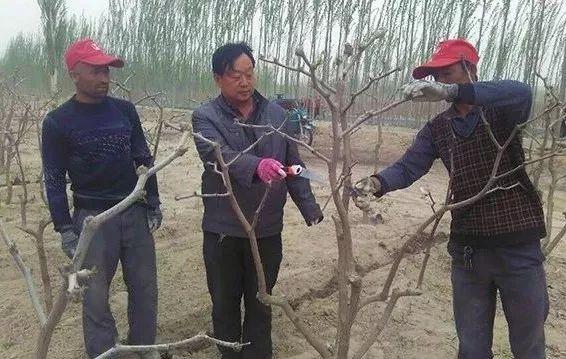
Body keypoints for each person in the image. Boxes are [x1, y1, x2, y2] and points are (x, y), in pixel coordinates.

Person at [354, 39, 548, 359]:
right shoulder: (437, 128)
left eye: (447, 71)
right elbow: (409, 166)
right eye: (437, 75)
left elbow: (523, 91)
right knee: (471, 348)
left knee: (528, 345)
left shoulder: (502, 111)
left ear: (470, 68)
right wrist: (376, 182)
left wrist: (453, 93)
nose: (441, 79)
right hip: (469, 252)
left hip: (518, 247)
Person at [191, 42, 323, 358]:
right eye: (235, 75)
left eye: (249, 74)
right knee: (224, 304)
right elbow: (217, 155)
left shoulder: (279, 116)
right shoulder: (205, 117)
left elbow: (294, 164)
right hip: (225, 230)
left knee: (261, 303)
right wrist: (256, 166)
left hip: (266, 230)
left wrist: (309, 206)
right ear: (217, 78)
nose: (245, 82)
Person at [41, 38, 162, 358]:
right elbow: (53, 179)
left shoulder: (125, 111)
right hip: (92, 220)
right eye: (95, 70)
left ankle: (144, 349)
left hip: (133, 211)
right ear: (74, 73)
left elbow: (143, 157)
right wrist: (64, 227)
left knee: (145, 290)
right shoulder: (57, 122)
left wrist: (153, 200)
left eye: (106, 70)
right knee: (94, 297)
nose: (104, 77)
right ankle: (104, 353)